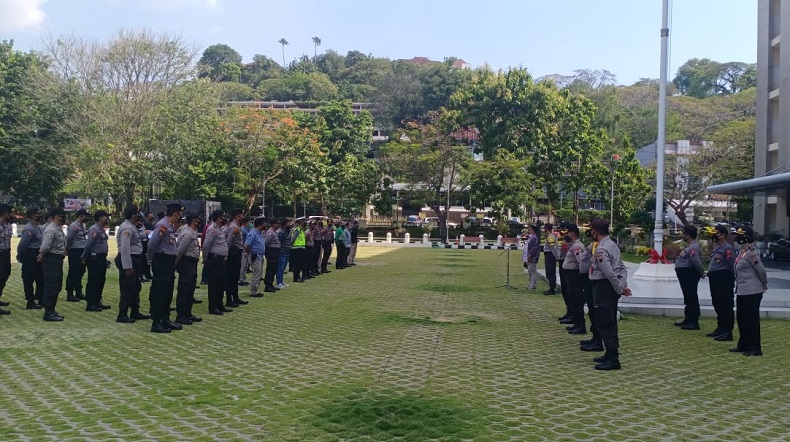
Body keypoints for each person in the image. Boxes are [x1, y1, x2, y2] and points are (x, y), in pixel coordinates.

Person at [588, 218, 632, 370]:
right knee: (609, 320)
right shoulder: (612, 245)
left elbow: (609, 272)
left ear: (596, 231)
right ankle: (609, 354)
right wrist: (622, 285)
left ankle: (613, 358)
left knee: (605, 323)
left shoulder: (601, 248)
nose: (590, 232)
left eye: (592, 229)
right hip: (610, 287)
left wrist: (619, 287)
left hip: (603, 288)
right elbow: (621, 269)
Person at [731, 225, 768, 356]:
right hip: (742, 291)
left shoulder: (752, 252)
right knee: (742, 319)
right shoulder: (743, 251)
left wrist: (764, 285)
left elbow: (761, 271)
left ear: (746, 237)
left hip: (753, 291)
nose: (737, 237)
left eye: (740, 235)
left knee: (751, 320)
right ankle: (744, 344)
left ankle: (755, 347)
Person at [147, 203, 184, 333]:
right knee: (160, 293)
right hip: (162, 261)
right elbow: (152, 244)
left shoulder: (169, 226)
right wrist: (150, 260)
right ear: (175, 214)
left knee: (167, 292)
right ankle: (156, 322)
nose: (181, 216)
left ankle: (165, 318)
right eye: (180, 213)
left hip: (168, 262)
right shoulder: (162, 226)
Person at [115, 206, 150, 323]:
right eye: (137, 213)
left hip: (134, 259)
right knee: (127, 288)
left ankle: (135, 311)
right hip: (129, 259)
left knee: (135, 287)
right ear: (133, 215)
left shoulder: (132, 227)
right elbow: (125, 249)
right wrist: (128, 266)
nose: (139, 215)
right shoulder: (127, 228)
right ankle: (122, 314)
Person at [706, 225, 736, 341]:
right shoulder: (717, 247)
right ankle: (720, 327)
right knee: (717, 303)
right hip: (715, 278)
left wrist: (732, 279)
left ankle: (727, 331)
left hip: (724, 279)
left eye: (716, 233)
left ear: (723, 235)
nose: (714, 235)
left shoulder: (727, 249)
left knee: (725, 305)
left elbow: (732, 265)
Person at [38, 207, 68, 322]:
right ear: (54, 216)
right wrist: (42, 253)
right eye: (61, 215)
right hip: (51, 259)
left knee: (57, 285)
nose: (63, 217)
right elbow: (46, 245)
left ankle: (51, 309)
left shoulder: (58, 228)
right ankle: (48, 312)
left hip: (57, 259)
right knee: (51, 285)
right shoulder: (51, 229)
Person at [674, 225, 706, 330]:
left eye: (684, 234)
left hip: (689, 274)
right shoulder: (689, 246)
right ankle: (688, 319)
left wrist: (702, 273)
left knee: (691, 297)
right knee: (688, 297)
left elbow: (696, 262)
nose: (683, 235)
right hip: (685, 274)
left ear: (688, 235)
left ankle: (693, 321)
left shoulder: (693, 248)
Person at [175, 212, 203, 325]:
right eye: (197, 219)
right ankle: (181, 315)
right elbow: (180, 250)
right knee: (184, 289)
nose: (199, 221)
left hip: (191, 262)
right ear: (193, 221)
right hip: (186, 262)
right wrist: (176, 264)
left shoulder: (192, 231)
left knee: (190, 289)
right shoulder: (187, 233)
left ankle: (187, 313)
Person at [579, 222, 603, 352]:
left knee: (595, 312)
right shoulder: (594, 245)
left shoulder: (599, 246)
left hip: (594, 281)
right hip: (589, 279)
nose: (589, 232)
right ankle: (595, 338)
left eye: (591, 230)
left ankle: (598, 340)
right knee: (592, 311)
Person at [203, 210, 232, 315]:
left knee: (220, 283)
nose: (224, 219)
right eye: (222, 217)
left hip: (220, 260)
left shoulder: (219, 229)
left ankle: (220, 305)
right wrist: (206, 258)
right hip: (214, 259)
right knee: (214, 284)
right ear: (217, 218)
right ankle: (213, 307)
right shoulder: (212, 229)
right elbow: (206, 245)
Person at [82, 210, 110, 312]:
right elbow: (88, 245)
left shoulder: (101, 229)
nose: (107, 219)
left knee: (101, 280)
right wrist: (84, 257)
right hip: (94, 258)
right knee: (94, 281)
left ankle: (97, 301)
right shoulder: (94, 229)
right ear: (100, 218)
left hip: (101, 258)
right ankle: (91, 303)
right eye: (105, 217)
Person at [561, 224, 586, 335]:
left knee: (576, 300)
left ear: (572, 233)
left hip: (574, 276)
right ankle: (576, 323)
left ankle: (580, 325)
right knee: (572, 299)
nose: (566, 235)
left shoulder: (577, 246)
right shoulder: (574, 245)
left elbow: (580, 261)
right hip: (571, 275)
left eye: (568, 233)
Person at [17, 206, 45, 310]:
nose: (40, 215)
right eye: (38, 213)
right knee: (28, 280)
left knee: (40, 279)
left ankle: (41, 300)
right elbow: (23, 245)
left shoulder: (37, 227)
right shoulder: (29, 228)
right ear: (33, 216)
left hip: (38, 255)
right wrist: (20, 256)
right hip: (30, 255)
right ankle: (30, 301)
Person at [223, 208, 249, 307]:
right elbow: (229, 241)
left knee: (235, 277)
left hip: (237, 253)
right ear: (237, 216)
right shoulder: (233, 227)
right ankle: (229, 300)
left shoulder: (237, 226)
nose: (243, 217)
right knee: (231, 278)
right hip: (232, 254)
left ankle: (236, 298)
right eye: (241, 215)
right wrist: (226, 254)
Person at [65, 208, 90, 302]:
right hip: (75, 251)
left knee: (80, 271)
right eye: (85, 216)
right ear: (80, 216)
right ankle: (70, 293)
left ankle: (78, 292)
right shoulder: (74, 226)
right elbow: (69, 239)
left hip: (82, 250)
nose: (87, 217)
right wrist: (67, 250)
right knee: (73, 272)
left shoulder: (82, 225)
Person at [245, 217, 266, 297]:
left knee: (259, 274)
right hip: (255, 255)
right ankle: (253, 292)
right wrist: (250, 253)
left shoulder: (260, 233)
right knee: (256, 274)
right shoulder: (253, 233)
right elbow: (247, 245)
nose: (265, 225)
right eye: (264, 224)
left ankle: (256, 290)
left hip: (260, 255)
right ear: (259, 225)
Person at [0, 204, 14, 315]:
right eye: (9, 212)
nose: (11, 215)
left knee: (5, 275)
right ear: (4, 213)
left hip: (6, 253)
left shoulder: (7, 225)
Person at [263, 219, 280, 293]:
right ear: (273, 224)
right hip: (271, 252)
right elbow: (266, 243)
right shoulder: (270, 232)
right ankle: (267, 285)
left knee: (274, 269)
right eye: (277, 223)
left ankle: (271, 284)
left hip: (275, 252)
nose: (278, 225)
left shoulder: (274, 232)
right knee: (270, 268)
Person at [543, 223, 560, 295]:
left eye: (544, 228)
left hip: (550, 255)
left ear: (546, 228)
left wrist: (556, 257)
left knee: (550, 272)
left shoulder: (550, 237)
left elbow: (552, 248)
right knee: (550, 272)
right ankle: (551, 287)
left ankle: (552, 289)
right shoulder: (550, 236)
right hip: (549, 255)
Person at [276, 220, 292, 289]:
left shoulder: (285, 231)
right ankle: (278, 282)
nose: (290, 224)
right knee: (280, 268)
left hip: (286, 251)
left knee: (283, 268)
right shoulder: (280, 232)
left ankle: (281, 281)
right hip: (281, 252)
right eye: (288, 223)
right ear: (284, 224)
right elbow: (278, 242)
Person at [522, 225, 540, 290]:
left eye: (530, 230)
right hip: (528, 256)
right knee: (530, 270)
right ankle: (530, 284)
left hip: (532, 256)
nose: (529, 231)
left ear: (533, 230)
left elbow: (535, 248)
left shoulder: (534, 237)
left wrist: (530, 254)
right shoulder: (530, 237)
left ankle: (532, 285)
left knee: (532, 271)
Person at [139, 212, 155, 282]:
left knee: (147, 260)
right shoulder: (143, 225)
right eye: (150, 217)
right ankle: (141, 275)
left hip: (148, 243)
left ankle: (146, 274)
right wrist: (145, 232)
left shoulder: (150, 224)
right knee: (142, 260)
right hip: (142, 243)